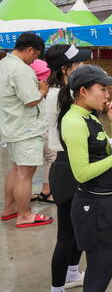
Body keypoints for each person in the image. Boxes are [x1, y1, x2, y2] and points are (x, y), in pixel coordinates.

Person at [58, 65, 112, 292]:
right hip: (93, 206)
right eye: (102, 89)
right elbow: (81, 173)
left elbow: (105, 151)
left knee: (99, 275)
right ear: (83, 91)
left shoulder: (89, 116)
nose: (107, 95)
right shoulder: (73, 122)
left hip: (104, 202)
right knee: (98, 277)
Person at [45, 44, 92, 292]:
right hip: (68, 166)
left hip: (70, 164)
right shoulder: (62, 96)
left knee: (78, 228)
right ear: (65, 69)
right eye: (78, 64)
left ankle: (73, 271)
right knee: (66, 235)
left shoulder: (63, 92)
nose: (83, 66)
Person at [0, 33, 53, 228]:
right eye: (36, 55)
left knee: (15, 169)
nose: (35, 60)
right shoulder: (21, 69)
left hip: (12, 125)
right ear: (30, 49)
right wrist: (42, 91)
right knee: (25, 173)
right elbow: (31, 99)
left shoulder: (4, 63)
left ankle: (10, 209)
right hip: (26, 128)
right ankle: (24, 215)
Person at [29, 59, 55, 204]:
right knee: (52, 156)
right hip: (39, 125)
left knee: (22, 167)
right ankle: (47, 191)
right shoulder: (39, 93)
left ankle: (28, 193)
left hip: (28, 127)